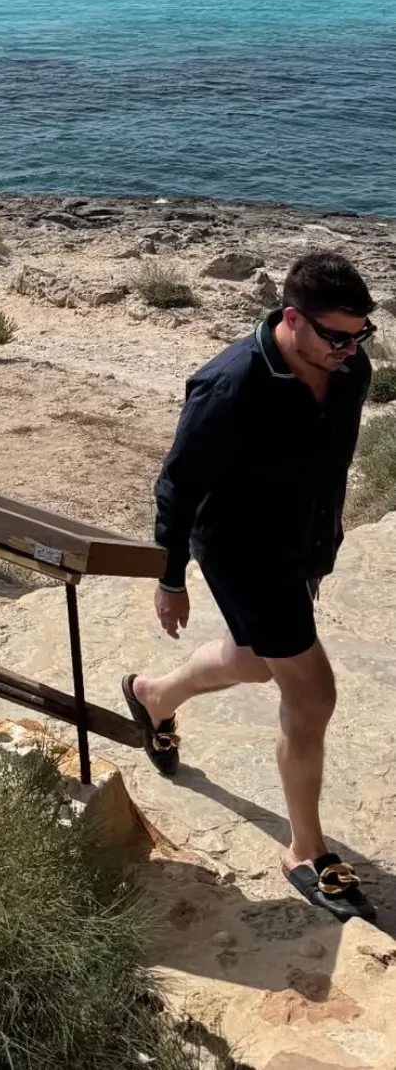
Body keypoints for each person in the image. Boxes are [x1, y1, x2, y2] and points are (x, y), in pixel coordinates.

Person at [123, 250, 377, 923]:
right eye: (337, 336)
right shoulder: (230, 385)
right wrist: (170, 577)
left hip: (304, 547)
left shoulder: (349, 372)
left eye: (361, 335)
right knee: (312, 693)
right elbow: (178, 485)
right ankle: (305, 851)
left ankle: (153, 696)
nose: (350, 350)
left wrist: (322, 536)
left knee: (256, 661)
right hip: (244, 553)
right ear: (292, 318)